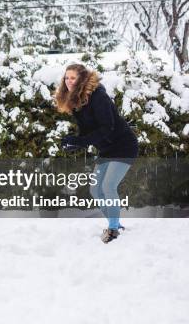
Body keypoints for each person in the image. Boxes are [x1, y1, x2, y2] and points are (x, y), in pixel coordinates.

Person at [54, 63, 138, 243]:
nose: (69, 81)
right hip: (106, 149)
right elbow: (87, 131)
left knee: (108, 187)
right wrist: (73, 141)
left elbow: (107, 127)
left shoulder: (98, 96)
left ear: (82, 79)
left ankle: (113, 229)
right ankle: (115, 223)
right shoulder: (76, 99)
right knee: (95, 190)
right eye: (66, 78)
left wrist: (81, 141)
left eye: (73, 78)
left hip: (124, 145)